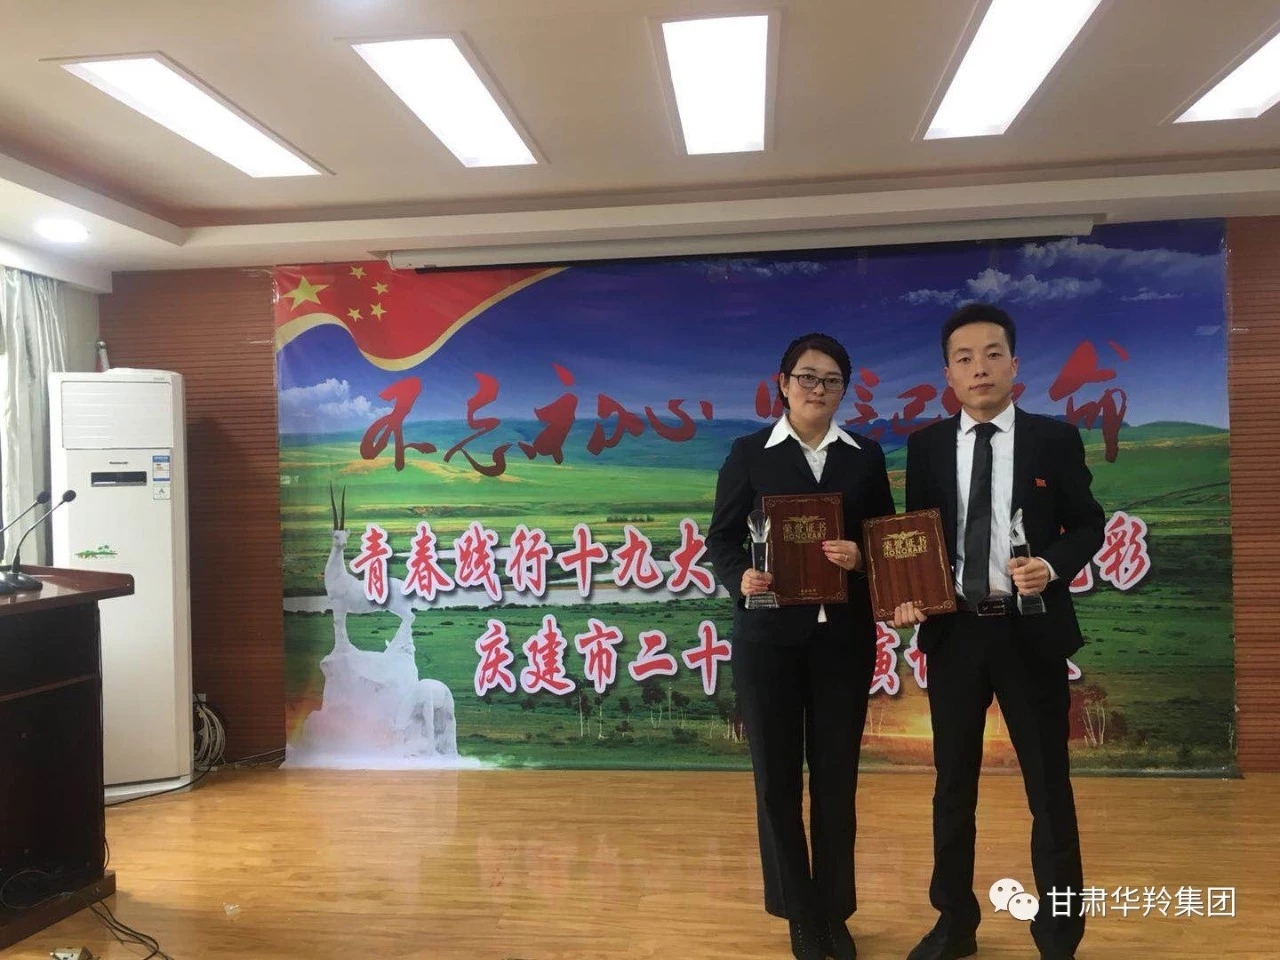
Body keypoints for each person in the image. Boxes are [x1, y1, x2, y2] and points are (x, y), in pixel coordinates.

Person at [892, 304, 1105, 960]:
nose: (979, 368)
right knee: (952, 788)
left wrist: (1052, 566)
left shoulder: (1052, 439)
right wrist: (907, 594)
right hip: (955, 635)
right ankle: (953, 923)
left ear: (1014, 364)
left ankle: (1059, 936)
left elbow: (1088, 524)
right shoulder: (927, 446)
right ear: (948, 374)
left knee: (1049, 788)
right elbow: (916, 537)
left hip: (1029, 633)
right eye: (964, 358)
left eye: (991, 354)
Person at [707, 333, 895, 960]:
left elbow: (886, 542)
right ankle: (798, 913)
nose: (819, 389)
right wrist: (740, 576)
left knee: (837, 779)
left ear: (844, 391)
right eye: (807, 377)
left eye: (832, 380)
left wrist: (860, 558)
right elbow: (722, 540)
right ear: (783, 384)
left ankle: (834, 912)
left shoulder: (864, 457)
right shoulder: (749, 454)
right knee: (777, 780)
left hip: (843, 639)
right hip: (768, 641)